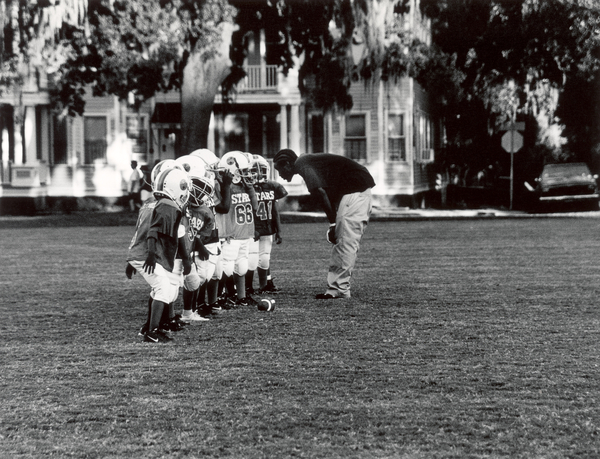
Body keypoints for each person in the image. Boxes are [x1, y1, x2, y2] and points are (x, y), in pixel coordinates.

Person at [273, 149, 375, 300]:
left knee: (344, 241)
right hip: (355, 191)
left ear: (288, 164)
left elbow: (320, 192)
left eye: (279, 169)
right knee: (343, 240)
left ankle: (339, 289)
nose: (279, 174)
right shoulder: (307, 162)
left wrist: (333, 223)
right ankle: (337, 287)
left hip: (355, 191)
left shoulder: (302, 164)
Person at [126, 166, 193, 343]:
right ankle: (152, 331)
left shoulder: (149, 202)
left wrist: (131, 259)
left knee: (160, 289)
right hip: (148, 254)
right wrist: (150, 255)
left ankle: (148, 327)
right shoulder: (169, 206)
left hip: (141, 253)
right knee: (163, 288)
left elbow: (140, 230)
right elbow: (153, 232)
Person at [214, 151, 259, 307]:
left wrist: (251, 189)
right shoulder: (223, 187)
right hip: (231, 233)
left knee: (242, 266)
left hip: (245, 232)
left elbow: (256, 207)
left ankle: (241, 296)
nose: (247, 174)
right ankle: (224, 296)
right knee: (226, 266)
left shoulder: (246, 187)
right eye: (244, 171)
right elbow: (223, 208)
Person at [246, 154, 288, 294]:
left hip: (267, 228)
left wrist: (279, 230)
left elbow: (275, 211)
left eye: (261, 170)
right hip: (252, 229)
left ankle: (264, 286)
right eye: (254, 170)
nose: (258, 173)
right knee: (250, 259)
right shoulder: (246, 188)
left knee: (264, 259)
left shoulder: (271, 186)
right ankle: (247, 287)